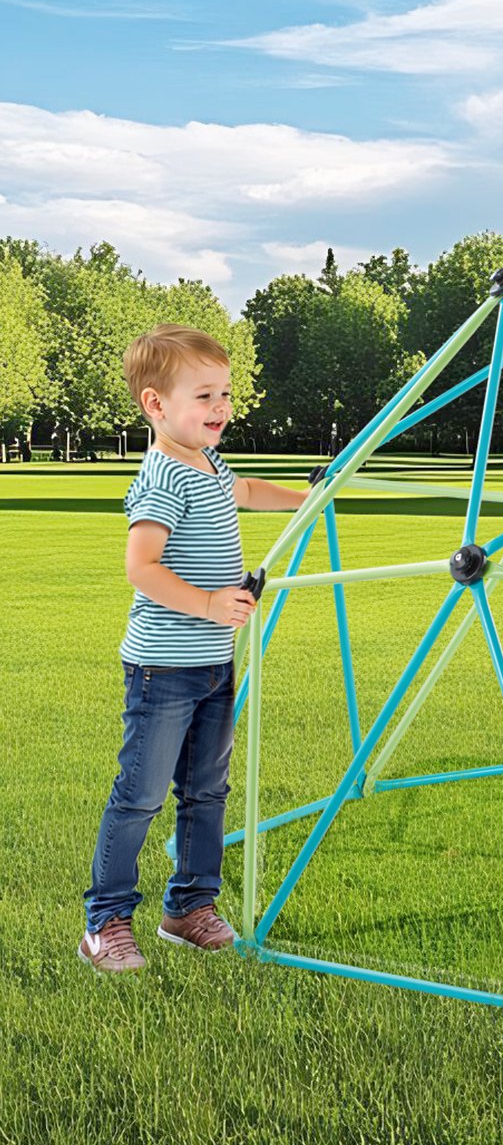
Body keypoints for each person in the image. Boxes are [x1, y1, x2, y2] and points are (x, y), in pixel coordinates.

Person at [78, 326, 307, 973]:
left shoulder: (209, 465)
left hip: (212, 665)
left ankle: (188, 909)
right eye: (204, 394)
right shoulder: (161, 479)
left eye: (225, 393)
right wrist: (208, 603)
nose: (221, 407)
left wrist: (308, 499)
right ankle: (105, 923)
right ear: (156, 405)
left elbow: (248, 493)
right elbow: (141, 567)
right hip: (163, 669)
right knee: (141, 795)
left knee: (206, 792)